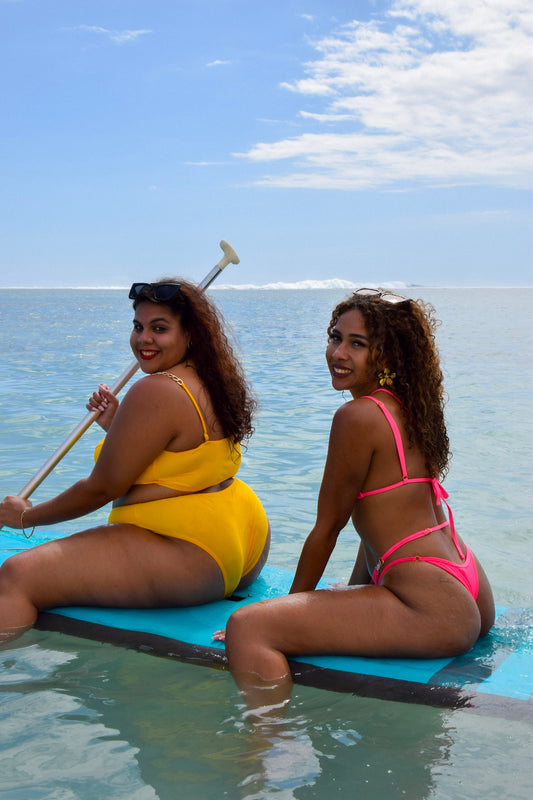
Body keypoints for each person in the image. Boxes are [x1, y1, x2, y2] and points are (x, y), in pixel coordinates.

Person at [224, 288, 494, 707]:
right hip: (465, 582)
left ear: (388, 356)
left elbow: (328, 528)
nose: (339, 353)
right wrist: (350, 594)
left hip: (434, 608)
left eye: (358, 344)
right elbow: (379, 525)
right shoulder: (410, 408)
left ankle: (271, 739)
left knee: (246, 627)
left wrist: (282, 613)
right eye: (335, 337)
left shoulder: (357, 416)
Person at [0, 279, 270, 644]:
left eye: (159, 328)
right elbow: (181, 456)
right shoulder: (211, 379)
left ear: (190, 333)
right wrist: (118, 426)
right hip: (244, 535)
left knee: (16, 575)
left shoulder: (156, 388)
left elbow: (102, 488)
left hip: (191, 554)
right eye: (138, 326)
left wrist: (26, 517)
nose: (144, 339)